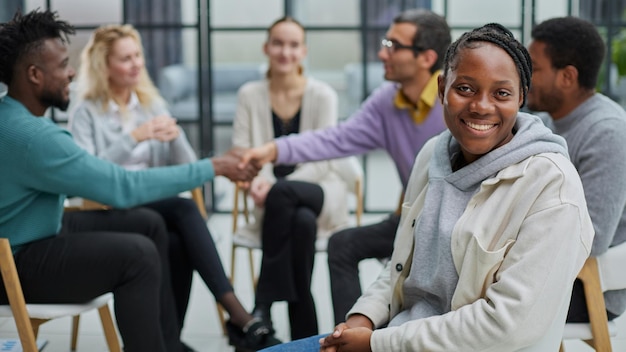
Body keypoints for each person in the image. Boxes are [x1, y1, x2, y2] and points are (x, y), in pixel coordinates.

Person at [257, 22, 595, 352]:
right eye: (465, 88)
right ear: (442, 87)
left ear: (521, 97)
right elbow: (401, 264)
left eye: (502, 93)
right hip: (396, 336)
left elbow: (507, 323)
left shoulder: (551, 187)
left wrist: (376, 343)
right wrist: (363, 318)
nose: (481, 105)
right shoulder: (434, 153)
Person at [0, 10, 261, 352]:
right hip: (14, 263)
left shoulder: (13, 118)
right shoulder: (35, 136)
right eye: (63, 64)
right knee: (136, 255)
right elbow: (121, 187)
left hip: (31, 233)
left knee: (150, 223)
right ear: (34, 75)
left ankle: (168, 343)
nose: (72, 72)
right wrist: (215, 166)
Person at [67, 24, 281, 351]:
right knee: (183, 209)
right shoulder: (86, 113)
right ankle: (238, 315)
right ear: (104, 65)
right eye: (126, 58)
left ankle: (169, 341)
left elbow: (188, 165)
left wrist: (174, 135)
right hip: (109, 207)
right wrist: (134, 137)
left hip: (152, 206)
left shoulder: (150, 104)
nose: (137, 64)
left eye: (138, 55)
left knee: (177, 242)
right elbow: (89, 176)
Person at [240, 8, 451, 325]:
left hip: (456, 225)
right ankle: (352, 336)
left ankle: (267, 310)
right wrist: (273, 149)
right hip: (413, 222)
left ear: (426, 58)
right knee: (341, 244)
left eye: (393, 45)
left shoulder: (454, 99)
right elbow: (336, 138)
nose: (382, 53)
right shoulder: (386, 102)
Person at [231, 16, 351, 341]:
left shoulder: (322, 94)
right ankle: (304, 329)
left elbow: (323, 158)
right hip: (276, 206)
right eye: (279, 43)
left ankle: (262, 305)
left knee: (286, 198)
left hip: (319, 190)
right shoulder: (249, 94)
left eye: (293, 45)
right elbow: (241, 149)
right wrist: (259, 181)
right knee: (300, 223)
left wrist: (274, 187)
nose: (286, 51)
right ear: (266, 48)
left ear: (303, 51)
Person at [527, 16, 626, 323]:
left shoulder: (607, 132)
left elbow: (592, 238)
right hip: (548, 275)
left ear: (567, 77)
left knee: (469, 305)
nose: (523, 76)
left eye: (534, 68)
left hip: (591, 288)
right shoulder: (548, 121)